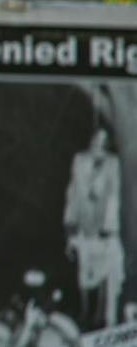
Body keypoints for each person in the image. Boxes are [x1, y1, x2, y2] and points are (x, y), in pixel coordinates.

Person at [64, 127, 124, 330]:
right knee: (83, 280)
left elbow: (113, 197)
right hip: (84, 231)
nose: (99, 143)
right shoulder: (80, 161)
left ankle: (102, 321)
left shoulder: (112, 163)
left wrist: (109, 226)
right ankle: (85, 317)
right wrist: (70, 227)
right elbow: (72, 194)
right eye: (96, 138)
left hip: (104, 233)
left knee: (105, 281)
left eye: (103, 140)